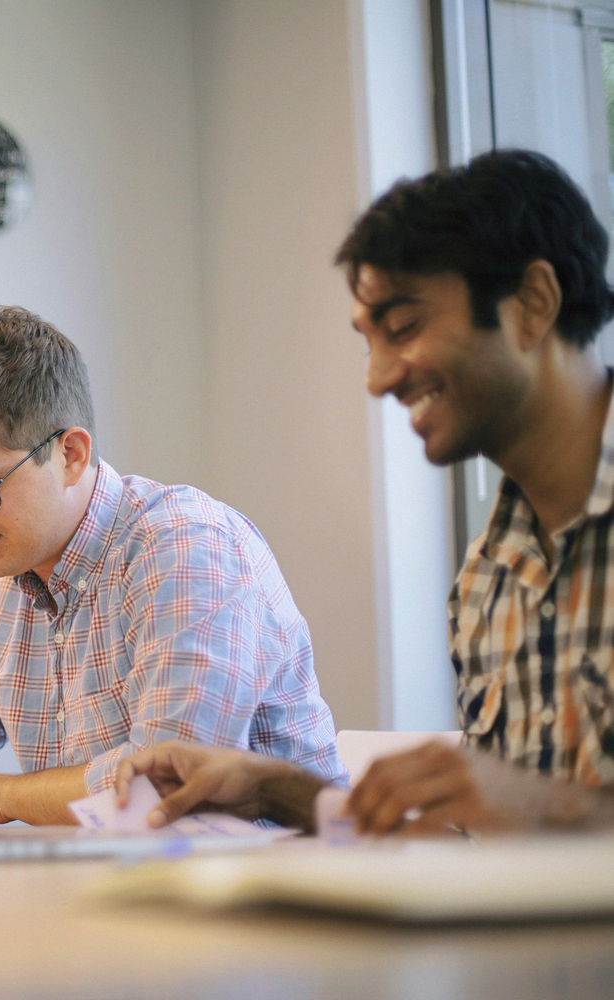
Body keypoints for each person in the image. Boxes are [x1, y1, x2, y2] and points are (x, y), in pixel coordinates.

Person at [117, 149, 614, 836]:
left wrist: (546, 807)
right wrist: (274, 790)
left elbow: (536, 819)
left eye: (404, 328)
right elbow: (484, 845)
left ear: (533, 303)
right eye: (368, 342)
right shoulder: (486, 583)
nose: (378, 378)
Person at [0, 306, 344, 825]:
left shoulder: (188, 548)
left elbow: (170, 787)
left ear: (71, 455)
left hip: (276, 893)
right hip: (116, 894)